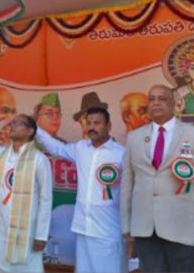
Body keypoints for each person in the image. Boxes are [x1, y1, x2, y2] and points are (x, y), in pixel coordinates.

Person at [121, 85, 194, 272]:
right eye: (152, 98)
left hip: (183, 228)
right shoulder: (134, 138)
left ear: (174, 103)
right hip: (145, 228)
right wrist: (126, 225)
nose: (156, 102)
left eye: (162, 98)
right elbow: (127, 185)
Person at [35, 105, 127, 273]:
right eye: (89, 123)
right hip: (83, 228)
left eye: (97, 123)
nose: (91, 127)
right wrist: (36, 129)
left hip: (109, 231)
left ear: (108, 127)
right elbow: (55, 147)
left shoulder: (122, 154)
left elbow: (131, 192)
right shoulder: (80, 148)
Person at [0, 114, 53, 273]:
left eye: (18, 123)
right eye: (12, 123)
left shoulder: (39, 159)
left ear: (30, 131)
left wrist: (41, 235)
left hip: (26, 232)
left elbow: (46, 199)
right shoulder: (0, 154)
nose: (12, 125)